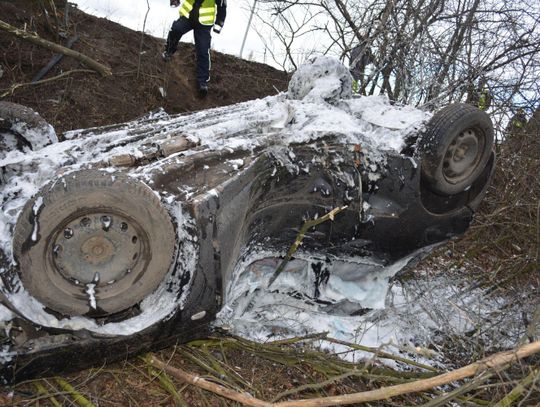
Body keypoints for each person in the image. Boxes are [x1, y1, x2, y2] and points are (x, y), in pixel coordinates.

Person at [163, 0, 227, 97]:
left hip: (204, 23)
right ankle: (168, 51)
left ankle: (202, 83)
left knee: (203, 50)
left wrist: (219, 24)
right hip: (188, 16)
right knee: (176, 29)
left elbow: (222, 6)